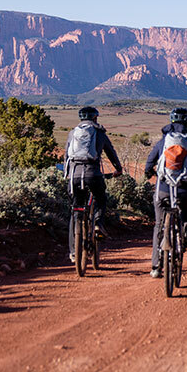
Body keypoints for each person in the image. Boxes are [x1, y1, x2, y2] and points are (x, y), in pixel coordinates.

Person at [144, 107, 187, 278]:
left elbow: (149, 163)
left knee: (159, 225)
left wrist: (149, 173)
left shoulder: (163, 142)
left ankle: (155, 266)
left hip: (163, 190)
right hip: (184, 188)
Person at [64, 106, 122, 264]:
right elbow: (110, 152)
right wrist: (118, 169)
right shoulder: (99, 133)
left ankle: (73, 252)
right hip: (93, 174)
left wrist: (68, 174)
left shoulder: (72, 133)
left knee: (75, 211)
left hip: (74, 176)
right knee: (101, 199)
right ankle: (97, 224)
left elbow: (66, 156)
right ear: (95, 118)